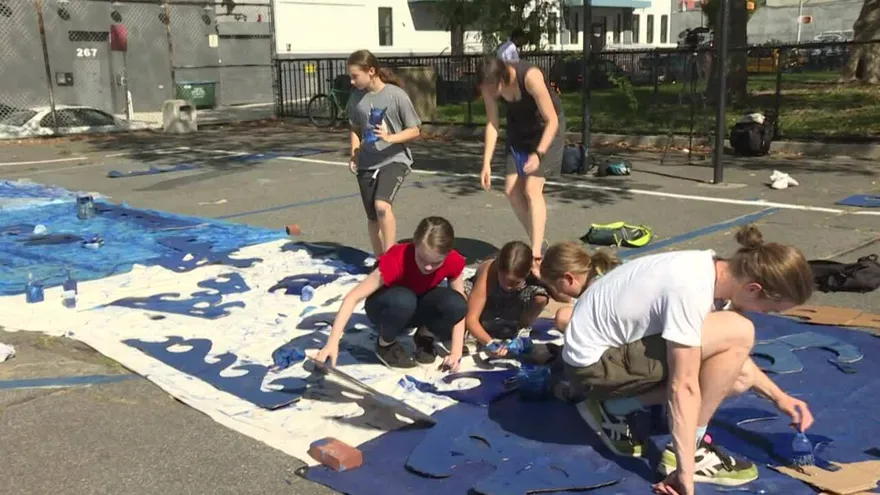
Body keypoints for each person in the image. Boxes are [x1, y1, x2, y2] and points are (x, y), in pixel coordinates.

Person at [540, 226, 816, 494]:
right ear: (754, 288)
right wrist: (684, 471)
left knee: (739, 374)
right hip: (593, 370)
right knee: (740, 330)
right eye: (770, 308)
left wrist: (778, 396)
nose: (765, 314)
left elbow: (733, 361)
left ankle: (616, 407)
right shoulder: (691, 289)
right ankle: (689, 452)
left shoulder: (712, 269)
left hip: (599, 357)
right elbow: (682, 387)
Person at [315, 216, 468, 371]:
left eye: (436, 263)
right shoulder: (396, 258)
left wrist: (456, 352)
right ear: (414, 244)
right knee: (404, 299)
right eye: (422, 259)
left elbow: (459, 307)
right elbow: (352, 297)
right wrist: (332, 343)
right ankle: (385, 344)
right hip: (386, 307)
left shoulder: (453, 260)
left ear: (447, 254)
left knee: (457, 304)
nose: (428, 267)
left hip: (416, 306)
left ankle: (424, 336)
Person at [478, 57, 565, 276]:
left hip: (546, 131)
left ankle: (535, 256)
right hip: (519, 134)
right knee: (511, 191)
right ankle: (539, 242)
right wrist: (486, 162)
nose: (491, 93)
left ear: (503, 77)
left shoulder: (530, 77)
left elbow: (552, 120)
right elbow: (492, 123)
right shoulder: (490, 85)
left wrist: (539, 153)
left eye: (493, 88)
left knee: (531, 189)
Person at [346, 49, 422, 258]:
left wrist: (390, 138)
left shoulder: (395, 95)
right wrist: (354, 153)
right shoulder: (356, 98)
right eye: (350, 77)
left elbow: (415, 130)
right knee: (372, 217)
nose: (352, 81)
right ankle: (380, 261)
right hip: (367, 162)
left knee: (381, 206)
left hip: (394, 158)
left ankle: (390, 259)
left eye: (355, 76)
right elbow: (355, 128)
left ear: (371, 71)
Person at [464, 241, 551, 356]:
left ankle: (521, 328)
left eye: (515, 282)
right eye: (504, 279)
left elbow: (564, 296)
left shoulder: (532, 272)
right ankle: (472, 333)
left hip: (513, 303)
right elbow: (471, 319)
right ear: (499, 269)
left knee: (541, 297)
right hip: (488, 301)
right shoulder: (489, 269)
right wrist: (489, 342)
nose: (508, 286)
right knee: (461, 296)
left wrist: (540, 276)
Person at [536, 241, 620, 332]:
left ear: (569, 278)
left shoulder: (595, 291)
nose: (558, 292)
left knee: (563, 317)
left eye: (556, 286)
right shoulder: (596, 274)